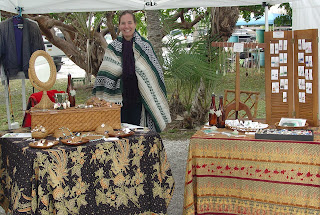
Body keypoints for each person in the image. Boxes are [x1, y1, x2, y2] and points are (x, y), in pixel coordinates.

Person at [93, 10, 171, 132]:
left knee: (139, 135)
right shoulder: (113, 48)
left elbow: (154, 74)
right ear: (119, 26)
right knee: (120, 134)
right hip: (119, 102)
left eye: (129, 23)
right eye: (123, 23)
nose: (126, 26)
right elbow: (106, 74)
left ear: (135, 24)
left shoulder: (145, 46)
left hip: (140, 101)